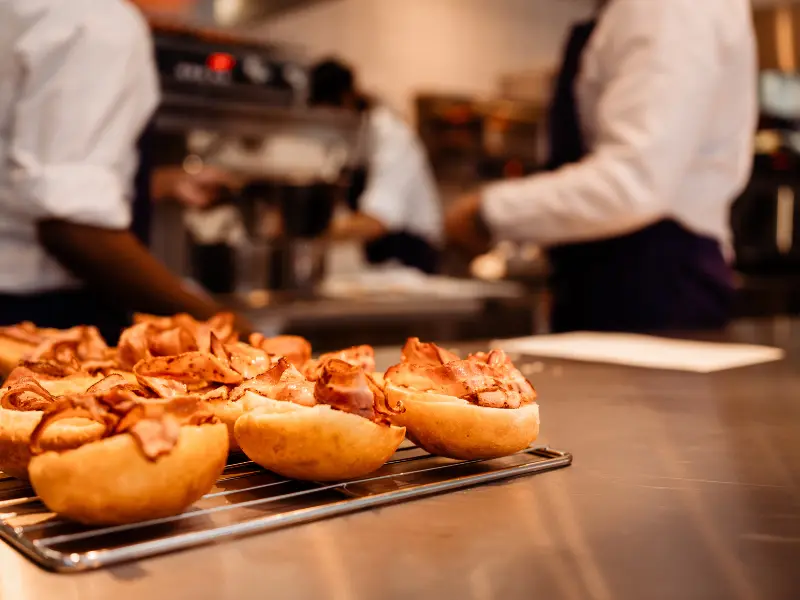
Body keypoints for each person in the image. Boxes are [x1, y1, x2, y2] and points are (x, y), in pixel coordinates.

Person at [446, 0, 757, 333]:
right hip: (622, 272)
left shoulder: (669, 8)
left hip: (649, 280)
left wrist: (489, 211)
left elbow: (635, 181)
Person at [0, 0, 251, 342]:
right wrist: (227, 327)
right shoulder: (100, 21)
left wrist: (160, 183)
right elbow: (72, 229)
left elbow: (28, 174)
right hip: (48, 318)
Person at [309, 58, 443, 274]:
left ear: (346, 99)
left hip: (410, 255)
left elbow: (376, 221)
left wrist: (304, 233)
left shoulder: (392, 136)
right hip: (377, 261)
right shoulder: (348, 140)